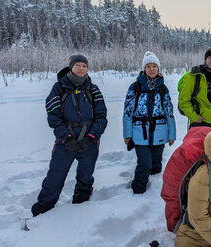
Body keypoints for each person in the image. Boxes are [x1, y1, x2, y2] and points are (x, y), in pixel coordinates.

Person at [32, 54, 108, 216]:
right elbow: (53, 116)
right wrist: (66, 138)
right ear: (71, 67)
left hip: (90, 141)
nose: (81, 69)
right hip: (65, 141)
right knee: (55, 177)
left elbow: (101, 116)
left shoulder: (93, 89)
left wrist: (92, 137)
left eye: (85, 66)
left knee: (86, 177)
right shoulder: (59, 88)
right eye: (78, 65)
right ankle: (41, 212)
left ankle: (81, 209)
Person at [123, 51, 176, 194]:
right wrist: (127, 135)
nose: (152, 69)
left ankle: (154, 190)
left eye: (154, 66)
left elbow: (169, 113)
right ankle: (138, 191)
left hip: (159, 132)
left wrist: (172, 134)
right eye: (148, 66)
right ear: (144, 69)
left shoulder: (163, 88)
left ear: (158, 69)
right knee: (144, 164)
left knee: (156, 164)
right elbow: (127, 113)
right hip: (140, 133)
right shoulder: (135, 87)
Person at [178, 46, 211, 128]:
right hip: (199, 125)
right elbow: (183, 101)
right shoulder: (194, 76)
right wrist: (195, 117)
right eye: (210, 57)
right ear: (205, 59)